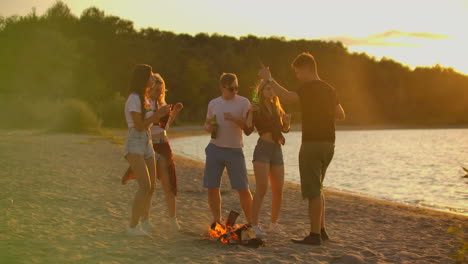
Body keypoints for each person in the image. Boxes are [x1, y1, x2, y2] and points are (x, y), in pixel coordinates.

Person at [258, 53, 346, 245]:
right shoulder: (330, 89)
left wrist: (269, 78)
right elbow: (341, 115)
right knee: (319, 186)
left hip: (312, 144)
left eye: (298, 72)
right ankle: (321, 231)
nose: (297, 76)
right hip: (329, 145)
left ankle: (314, 235)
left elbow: (287, 97)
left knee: (313, 191)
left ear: (307, 69)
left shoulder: (308, 88)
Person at [122, 73, 184, 231]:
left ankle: (172, 219)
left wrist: (173, 113)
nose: (159, 93)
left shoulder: (160, 103)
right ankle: (144, 220)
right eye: (156, 90)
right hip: (148, 143)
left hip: (162, 144)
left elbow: (163, 126)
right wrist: (159, 115)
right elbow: (145, 124)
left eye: (161, 91)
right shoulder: (144, 103)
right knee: (148, 185)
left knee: (167, 184)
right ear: (149, 89)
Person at [204, 73, 253, 227]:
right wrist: (209, 128)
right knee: (212, 187)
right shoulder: (213, 103)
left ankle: (252, 222)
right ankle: (217, 220)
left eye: (237, 88)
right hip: (214, 148)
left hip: (235, 150)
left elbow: (248, 127)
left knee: (243, 188)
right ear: (222, 88)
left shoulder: (244, 102)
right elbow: (206, 124)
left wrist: (234, 119)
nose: (235, 91)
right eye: (232, 88)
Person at [244, 80, 291, 238]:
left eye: (272, 89)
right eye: (268, 89)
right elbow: (248, 129)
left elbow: (284, 129)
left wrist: (287, 124)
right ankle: (255, 225)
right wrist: (250, 112)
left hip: (277, 150)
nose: (271, 92)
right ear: (262, 91)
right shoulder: (256, 106)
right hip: (263, 148)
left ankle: (273, 225)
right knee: (262, 188)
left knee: (278, 190)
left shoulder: (277, 106)